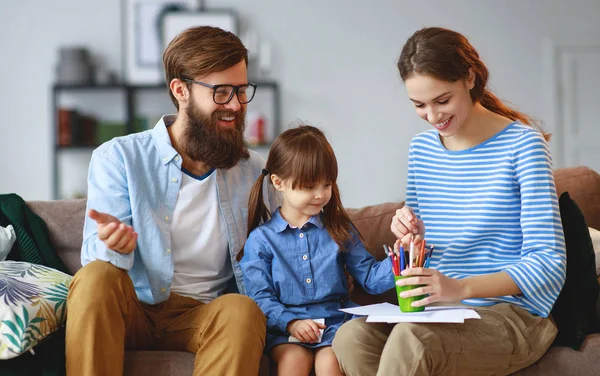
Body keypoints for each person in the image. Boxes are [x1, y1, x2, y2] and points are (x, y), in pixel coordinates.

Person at [333, 27, 566, 376]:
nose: (433, 116)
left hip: (511, 315)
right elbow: (423, 250)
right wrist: (411, 236)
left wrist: (461, 288)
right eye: (419, 105)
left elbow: (549, 262)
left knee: (414, 339)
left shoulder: (523, 145)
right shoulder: (422, 150)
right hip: (439, 311)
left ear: (469, 78)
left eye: (442, 100)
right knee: (351, 337)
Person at [66, 26, 279, 376]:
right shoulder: (118, 158)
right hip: (132, 308)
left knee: (242, 311)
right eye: (222, 92)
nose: (236, 105)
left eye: (241, 92)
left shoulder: (256, 171)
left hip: (201, 315)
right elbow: (95, 259)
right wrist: (114, 247)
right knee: (95, 278)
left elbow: (282, 242)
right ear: (181, 91)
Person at [239, 125, 395, 376]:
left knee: (330, 363)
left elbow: (371, 278)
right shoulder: (261, 240)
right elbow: (260, 297)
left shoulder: (339, 229)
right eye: (309, 186)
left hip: (335, 325)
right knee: (294, 361)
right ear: (279, 183)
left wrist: (404, 258)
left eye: (326, 184)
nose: (320, 194)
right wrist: (291, 323)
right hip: (284, 330)